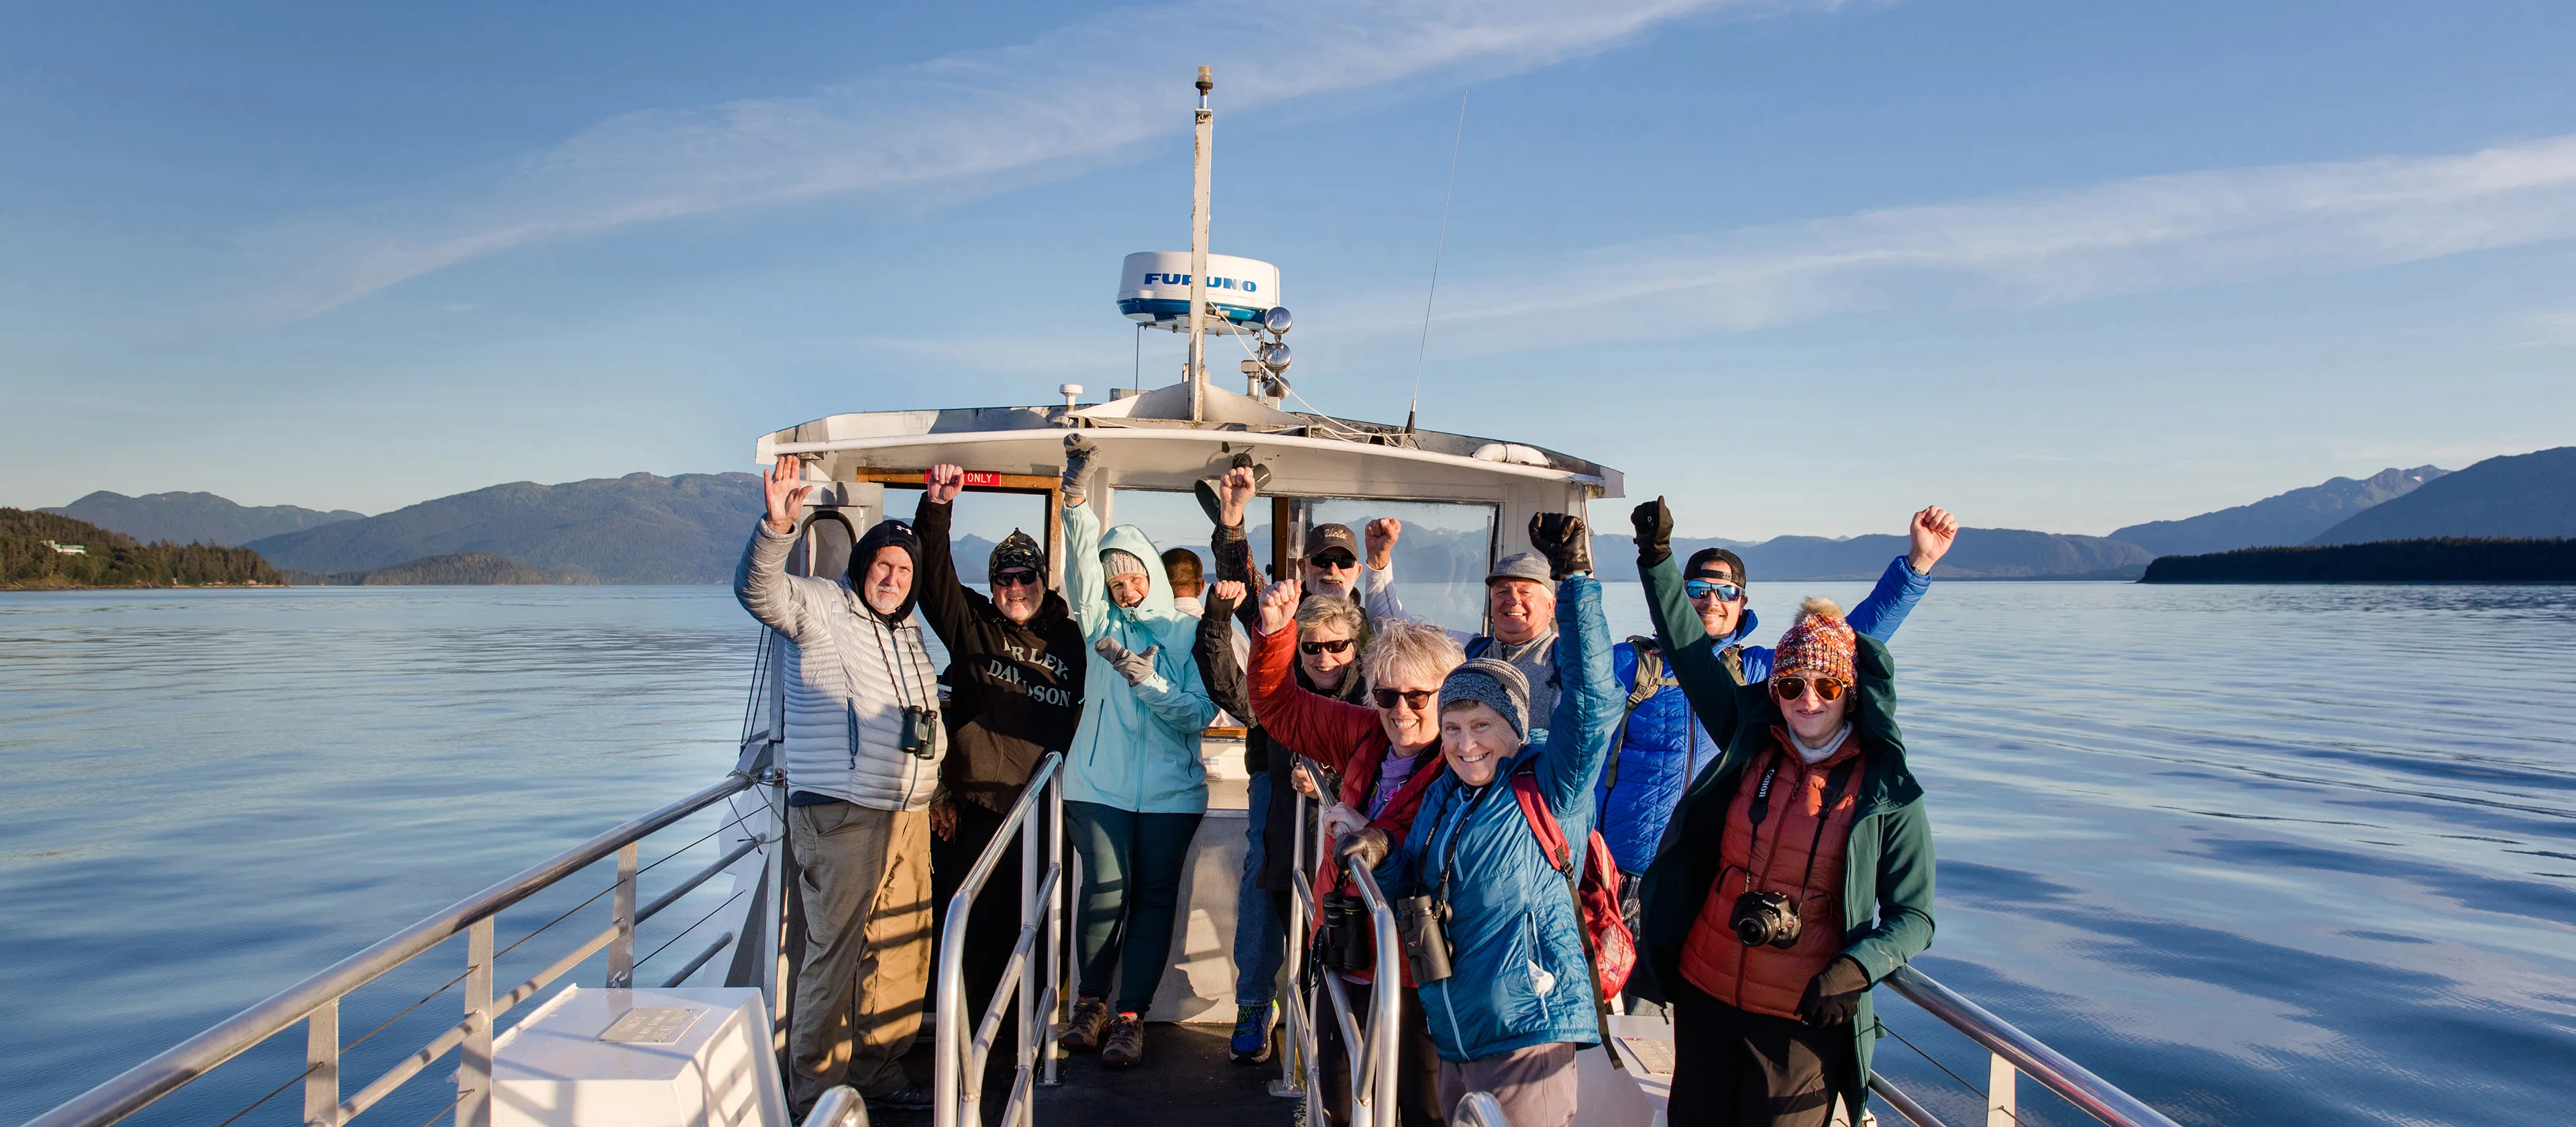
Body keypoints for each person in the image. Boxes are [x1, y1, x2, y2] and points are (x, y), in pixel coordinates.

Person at [1597, 502, 1955, 1010]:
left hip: (1706, 872)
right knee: (1608, 1015)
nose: (1712, 601)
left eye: (1726, 592)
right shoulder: (1634, 664)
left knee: (1671, 1011)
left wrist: (1916, 567)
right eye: (1697, 590)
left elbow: (1848, 643)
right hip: (1621, 868)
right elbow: (1585, 702)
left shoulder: (1768, 678)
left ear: (1743, 603)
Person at [1345, 511, 1618, 1127]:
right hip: (1458, 1036)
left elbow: (1595, 699)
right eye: (1454, 729)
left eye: (1483, 728)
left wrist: (1576, 579)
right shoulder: (1446, 795)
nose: (1467, 746)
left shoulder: (1548, 787)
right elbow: (1413, 879)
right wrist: (1374, 855)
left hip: (1526, 1033)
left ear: (1516, 730)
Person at [1633, 587, 1936, 1127]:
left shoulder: (1884, 791)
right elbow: (1689, 651)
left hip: (1802, 1019)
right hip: (1706, 993)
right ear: (1775, 690)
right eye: (1792, 684)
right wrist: (1656, 561)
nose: (1809, 699)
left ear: (1851, 692)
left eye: (1827, 684)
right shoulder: (1748, 748)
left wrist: (1857, 967)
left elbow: (1915, 917)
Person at [735, 455, 946, 1114]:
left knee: (902, 946)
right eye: (884, 564)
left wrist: (931, 791)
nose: (893, 576)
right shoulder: (824, 606)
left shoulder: (907, 632)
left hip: (905, 811)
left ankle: (877, 1069)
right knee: (834, 952)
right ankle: (817, 1092)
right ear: (862, 566)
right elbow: (758, 593)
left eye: (904, 570)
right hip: (841, 811)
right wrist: (777, 527)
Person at [1195, 462, 1394, 1065]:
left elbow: (1402, 683)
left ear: (1356, 572)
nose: (1331, 572)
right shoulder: (1283, 614)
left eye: (1343, 563)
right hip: (1276, 778)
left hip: (1351, 797)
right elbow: (1240, 578)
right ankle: (1256, 1003)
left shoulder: (1370, 632)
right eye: (1320, 563)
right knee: (1266, 883)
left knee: (1345, 895)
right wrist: (1232, 518)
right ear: (1304, 568)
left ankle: (1328, 1005)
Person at [1247, 580, 1463, 1126]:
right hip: (1344, 953)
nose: (1403, 711)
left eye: (1419, 697)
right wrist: (1275, 634)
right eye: (1388, 696)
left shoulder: (1465, 762)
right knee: (1335, 1101)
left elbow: (1445, 856)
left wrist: (1372, 831)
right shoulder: (1365, 733)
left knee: (1423, 1106)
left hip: (1420, 973)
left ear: (1448, 694)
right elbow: (1280, 708)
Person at [1054, 435, 1220, 1068]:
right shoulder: (1098, 625)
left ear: (1151, 573)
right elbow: (1077, 566)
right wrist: (1076, 496)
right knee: (1105, 886)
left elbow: (1200, 713)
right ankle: (1089, 1003)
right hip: (1097, 784)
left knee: (1153, 896)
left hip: (1173, 793)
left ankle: (1130, 1018)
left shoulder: (1186, 632)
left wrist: (1145, 680)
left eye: (1133, 573)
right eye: (1114, 574)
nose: (1123, 585)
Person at [910, 465, 1087, 1056]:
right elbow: (932, 581)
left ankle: (1028, 1045)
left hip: (1046, 813)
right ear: (993, 585)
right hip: (980, 812)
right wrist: (936, 510)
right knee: (975, 933)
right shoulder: (972, 626)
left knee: (1037, 932)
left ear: (1043, 579)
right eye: (1006, 578)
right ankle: (968, 1048)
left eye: (1026, 575)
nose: (1016, 587)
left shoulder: (1069, 639)